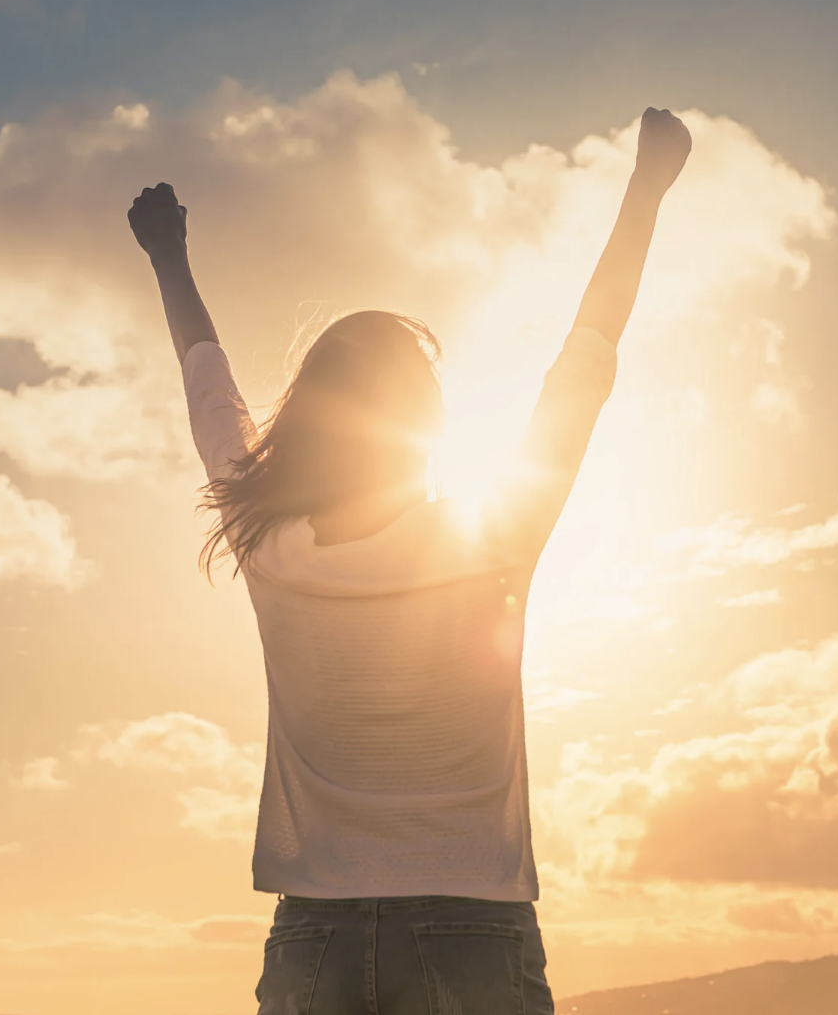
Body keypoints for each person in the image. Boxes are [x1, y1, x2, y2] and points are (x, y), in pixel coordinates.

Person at [128, 106, 691, 1015]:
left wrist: (166, 254)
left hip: (314, 935)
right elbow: (586, 357)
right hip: (473, 927)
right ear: (427, 426)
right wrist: (646, 188)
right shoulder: (494, 537)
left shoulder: (270, 545)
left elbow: (208, 382)